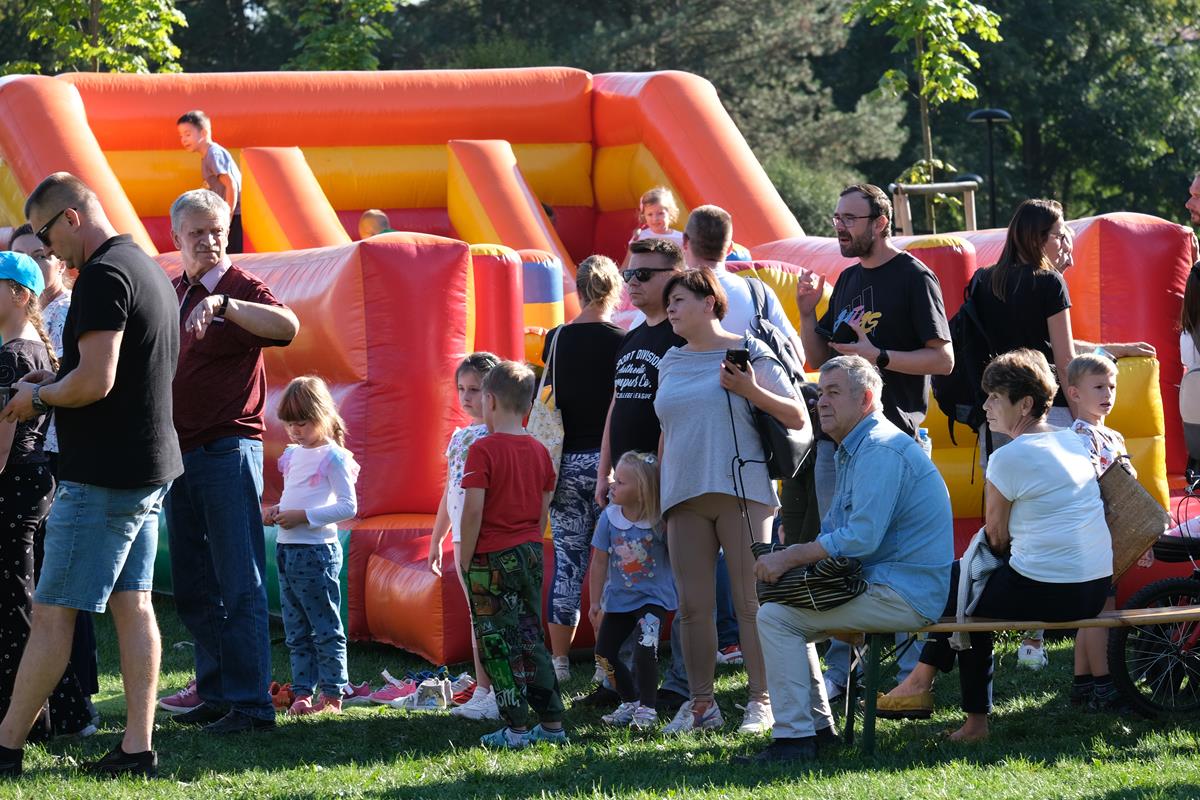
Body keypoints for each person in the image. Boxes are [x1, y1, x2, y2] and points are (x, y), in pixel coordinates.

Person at [0, 172, 183, 778]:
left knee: (54, 611)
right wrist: (52, 382)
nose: (48, 252)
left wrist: (38, 397)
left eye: (47, 237)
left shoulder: (104, 275)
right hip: (148, 466)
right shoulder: (146, 265)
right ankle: (137, 747)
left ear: (71, 218)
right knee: (134, 606)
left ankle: (5, 747)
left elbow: (96, 380)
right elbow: (116, 374)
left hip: (105, 474)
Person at [880, 349, 1112, 743]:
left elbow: (996, 536)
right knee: (961, 585)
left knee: (963, 598)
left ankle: (969, 720)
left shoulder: (1009, 456)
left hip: (1054, 592)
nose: (985, 406)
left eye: (994, 397)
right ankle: (920, 681)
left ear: (1025, 404)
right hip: (1094, 591)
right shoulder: (1074, 442)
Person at [746, 354, 953, 763]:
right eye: (821, 392)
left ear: (866, 399)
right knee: (779, 610)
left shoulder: (879, 449)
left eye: (834, 392)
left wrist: (791, 557)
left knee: (777, 617)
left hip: (903, 595)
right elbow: (843, 535)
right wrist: (792, 560)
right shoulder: (859, 447)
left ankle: (796, 739)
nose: (821, 401)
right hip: (885, 586)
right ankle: (814, 731)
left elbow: (860, 538)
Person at [794, 183, 953, 700]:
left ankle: (908, 677)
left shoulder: (913, 276)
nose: (840, 226)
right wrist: (807, 312)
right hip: (838, 444)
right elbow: (822, 359)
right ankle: (842, 671)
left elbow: (943, 359)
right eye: (836, 217)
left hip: (893, 441)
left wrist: (879, 356)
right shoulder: (847, 279)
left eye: (850, 218)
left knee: (891, 557)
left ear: (880, 222)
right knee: (839, 553)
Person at [162, 189, 299, 735]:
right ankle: (218, 692)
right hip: (179, 452)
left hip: (226, 449)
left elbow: (288, 327)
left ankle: (252, 705)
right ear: (176, 238)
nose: (208, 240)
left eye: (216, 230)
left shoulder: (241, 287)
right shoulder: (175, 290)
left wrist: (224, 306)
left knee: (239, 580)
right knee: (195, 584)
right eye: (196, 232)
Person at [655, 268, 808, 736]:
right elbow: (667, 431)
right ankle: (702, 705)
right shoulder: (669, 360)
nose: (670, 309)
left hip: (742, 490)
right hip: (682, 495)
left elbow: (797, 415)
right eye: (668, 302)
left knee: (750, 602)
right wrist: (659, 491)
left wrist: (750, 390)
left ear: (709, 302)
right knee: (692, 607)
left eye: (679, 300)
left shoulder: (748, 350)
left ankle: (762, 701)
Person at [587, 236, 688, 711]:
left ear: (674, 277)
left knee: (673, 585)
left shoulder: (679, 336)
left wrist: (663, 483)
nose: (632, 282)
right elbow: (616, 407)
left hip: (664, 485)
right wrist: (603, 472)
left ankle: (678, 685)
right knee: (623, 579)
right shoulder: (631, 337)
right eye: (629, 274)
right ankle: (619, 683)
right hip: (627, 483)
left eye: (643, 274)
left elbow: (674, 416)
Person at [0, 252, 94, 742]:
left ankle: (32, 718)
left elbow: (2, 445)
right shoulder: (36, 348)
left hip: (13, 483)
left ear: (20, 294)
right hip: (34, 482)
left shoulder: (14, 355)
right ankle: (68, 713)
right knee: (31, 602)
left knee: (15, 606)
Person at [459, 361, 567, 749]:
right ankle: (552, 723)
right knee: (530, 636)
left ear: (489, 400)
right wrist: (530, 542)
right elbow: (542, 508)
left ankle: (516, 727)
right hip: (530, 552)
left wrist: (466, 557)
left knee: (496, 643)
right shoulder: (539, 451)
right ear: (528, 407)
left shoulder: (482, 450)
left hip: (490, 558)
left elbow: (473, 510)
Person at [542, 255, 626, 680]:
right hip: (610, 467)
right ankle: (604, 665)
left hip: (565, 465)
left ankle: (559, 662)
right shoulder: (623, 341)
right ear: (616, 291)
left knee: (567, 563)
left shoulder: (556, 339)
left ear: (577, 291)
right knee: (612, 567)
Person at [264, 376, 359, 716]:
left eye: (302, 423)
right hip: (287, 550)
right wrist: (277, 511)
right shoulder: (292, 455)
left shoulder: (333, 457)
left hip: (316, 553)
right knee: (295, 629)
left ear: (322, 416)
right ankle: (303, 691)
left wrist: (303, 517)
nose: (294, 431)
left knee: (324, 627)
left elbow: (348, 507)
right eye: (289, 424)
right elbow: (297, 496)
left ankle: (332, 695)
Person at [424, 352, 502, 720]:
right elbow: (450, 492)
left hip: (485, 535)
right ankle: (484, 687)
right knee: (476, 614)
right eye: (462, 389)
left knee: (489, 612)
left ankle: (495, 688)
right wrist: (436, 538)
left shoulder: (496, 437)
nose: (467, 397)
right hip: (461, 537)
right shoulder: (461, 436)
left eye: (475, 389)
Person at [1065, 353, 1136, 711]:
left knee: (1093, 613)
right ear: (1075, 393)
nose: (1107, 394)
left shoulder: (1112, 435)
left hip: (1110, 534)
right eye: (1098, 387)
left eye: (1111, 386)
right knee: (1099, 615)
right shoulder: (1079, 437)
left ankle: (1083, 685)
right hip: (1092, 535)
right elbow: (1091, 488)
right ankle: (1105, 687)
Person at [588, 450, 676, 730]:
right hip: (619, 600)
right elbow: (599, 561)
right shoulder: (609, 518)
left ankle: (647, 708)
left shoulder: (660, 522)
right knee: (604, 654)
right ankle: (629, 701)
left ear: (643, 490)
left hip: (652, 600)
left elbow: (678, 555)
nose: (613, 486)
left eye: (621, 482)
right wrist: (594, 603)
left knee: (645, 648)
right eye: (615, 480)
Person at [177, 110, 243, 253]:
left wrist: (227, 218)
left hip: (234, 215)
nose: (183, 140)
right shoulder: (208, 155)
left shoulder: (213, 154)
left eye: (188, 134)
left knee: (228, 254)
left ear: (204, 133)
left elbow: (231, 184)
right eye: (181, 136)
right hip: (227, 214)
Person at [623, 187, 683, 265]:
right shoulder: (639, 237)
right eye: (650, 214)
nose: (655, 219)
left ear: (670, 213)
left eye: (660, 213)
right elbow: (627, 264)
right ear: (644, 216)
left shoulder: (680, 239)